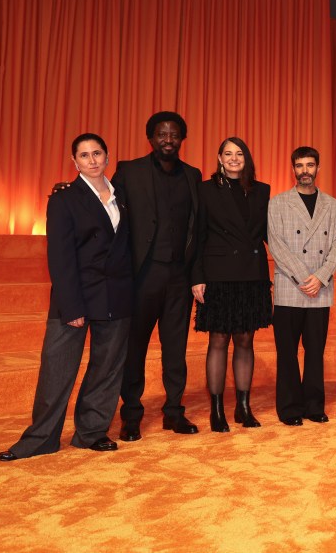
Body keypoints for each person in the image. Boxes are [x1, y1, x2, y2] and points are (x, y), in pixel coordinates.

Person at [0, 134, 132, 461]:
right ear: (75, 162)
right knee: (57, 369)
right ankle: (41, 438)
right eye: (84, 155)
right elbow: (60, 257)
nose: (92, 160)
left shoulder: (122, 196)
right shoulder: (64, 198)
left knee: (107, 369)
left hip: (117, 295)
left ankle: (91, 432)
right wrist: (72, 306)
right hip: (77, 296)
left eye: (97, 153)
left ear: (107, 156)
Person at [115, 111, 202, 441]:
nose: (168, 139)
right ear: (150, 138)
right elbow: (106, 207)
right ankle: (132, 414)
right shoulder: (129, 172)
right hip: (142, 275)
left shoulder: (193, 176)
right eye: (162, 134)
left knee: (176, 349)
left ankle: (174, 412)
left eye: (174, 134)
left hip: (179, 276)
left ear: (182, 138)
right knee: (134, 347)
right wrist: (67, 190)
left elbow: (198, 226)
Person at [191, 137, 272, 432]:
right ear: (219, 158)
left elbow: (268, 233)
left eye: (239, 153)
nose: (234, 158)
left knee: (245, 340)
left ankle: (243, 406)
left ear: (246, 158)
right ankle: (216, 410)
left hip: (252, 274)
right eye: (228, 153)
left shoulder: (262, 190)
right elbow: (197, 236)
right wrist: (196, 276)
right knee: (218, 340)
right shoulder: (205, 189)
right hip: (218, 275)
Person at [267, 146, 336, 426]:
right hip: (291, 288)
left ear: (318, 169)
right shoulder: (277, 203)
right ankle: (289, 408)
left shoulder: (333, 205)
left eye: (310, 165)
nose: (305, 171)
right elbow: (276, 243)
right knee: (287, 353)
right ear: (293, 169)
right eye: (299, 166)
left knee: (315, 352)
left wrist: (321, 276)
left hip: (319, 289)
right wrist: (304, 277)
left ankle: (314, 406)